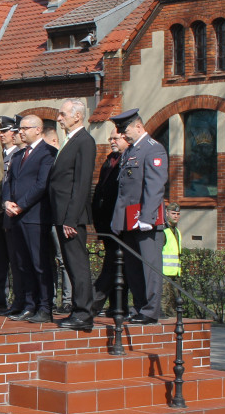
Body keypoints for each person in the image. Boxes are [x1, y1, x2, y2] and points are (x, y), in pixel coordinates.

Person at [110, 109, 168, 324]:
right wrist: (118, 220)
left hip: (145, 221)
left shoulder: (153, 149)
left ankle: (150, 310)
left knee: (149, 267)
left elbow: (154, 186)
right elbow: (125, 190)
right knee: (133, 267)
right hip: (128, 220)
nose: (124, 135)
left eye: (125, 130)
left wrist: (147, 217)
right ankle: (139, 307)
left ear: (138, 126)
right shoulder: (131, 151)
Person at [1, 114, 57, 322]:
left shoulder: (48, 153)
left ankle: (45, 306)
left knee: (39, 263)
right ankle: (28, 303)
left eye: (24, 128)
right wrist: (7, 202)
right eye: (19, 129)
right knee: (21, 262)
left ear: (37, 129)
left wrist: (21, 205)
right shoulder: (18, 155)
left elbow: (42, 184)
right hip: (15, 216)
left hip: (34, 216)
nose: (20, 132)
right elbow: (9, 183)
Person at [49, 99, 99, 332]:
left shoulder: (84, 142)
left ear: (77, 116)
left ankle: (83, 314)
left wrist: (71, 218)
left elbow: (81, 183)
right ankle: (77, 311)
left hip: (72, 217)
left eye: (62, 114)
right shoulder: (71, 141)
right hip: (62, 214)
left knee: (78, 265)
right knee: (70, 264)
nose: (59, 118)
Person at [91, 130, 127, 314]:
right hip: (106, 223)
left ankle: (94, 302)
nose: (112, 141)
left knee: (114, 263)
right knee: (117, 265)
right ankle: (118, 306)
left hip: (120, 223)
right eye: (110, 138)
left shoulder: (128, 159)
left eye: (115, 138)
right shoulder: (109, 159)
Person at [0, 115, 22, 315]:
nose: (1, 135)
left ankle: (18, 300)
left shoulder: (18, 155)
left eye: (5, 131)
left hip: (13, 213)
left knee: (15, 259)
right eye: (0, 131)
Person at [162, 202, 182, 312]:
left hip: (175, 274)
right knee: (164, 305)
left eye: (178, 214)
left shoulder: (177, 231)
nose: (176, 216)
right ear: (167, 213)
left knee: (175, 306)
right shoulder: (163, 231)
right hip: (164, 274)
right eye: (173, 213)